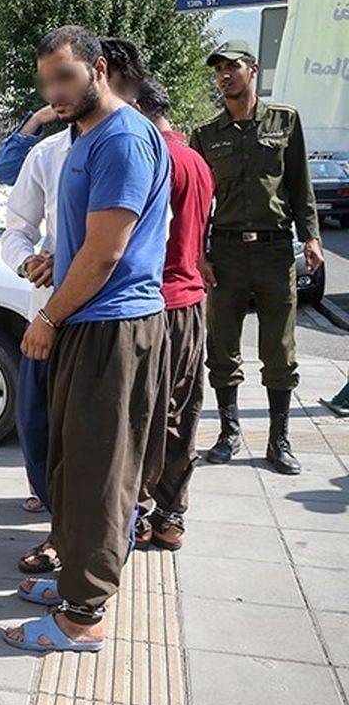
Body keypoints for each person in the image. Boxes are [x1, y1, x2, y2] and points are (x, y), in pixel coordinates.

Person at [3, 25, 169, 654]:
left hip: (112, 327)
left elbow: (105, 255)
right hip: (86, 323)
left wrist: (47, 319)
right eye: (47, 81)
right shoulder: (81, 135)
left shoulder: (123, 139)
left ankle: (83, 617)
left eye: (66, 77)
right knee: (71, 467)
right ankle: (74, 580)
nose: (55, 91)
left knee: (100, 475)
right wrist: (47, 264)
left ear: (99, 69)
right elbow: (75, 242)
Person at [189, 39, 325, 475]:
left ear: (254, 70)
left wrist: (311, 237)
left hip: (273, 251)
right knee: (223, 348)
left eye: (232, 67)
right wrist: (198, 255)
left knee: (279, 351)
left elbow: (301, 183)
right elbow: (195, 203)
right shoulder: (206, 135)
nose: (224, 76)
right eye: (219, 70)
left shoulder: (285, 122)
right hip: (225, 252)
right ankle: (229, 434)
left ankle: (278, 440)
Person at [131, 78, 214, 552]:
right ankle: (171, 516)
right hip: (190, 302)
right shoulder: (198, 161)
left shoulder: (152, 158)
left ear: (140, 110)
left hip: (156, 302)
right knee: (183, 411)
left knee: (144, 413)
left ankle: (138, 512)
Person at [1, 111, 73, 572]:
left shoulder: (134, 146)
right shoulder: (49, 153)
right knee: (37, 425)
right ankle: (58, 518)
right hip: (47, 319)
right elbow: (16, 230)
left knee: (89, 438)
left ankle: (75, 538)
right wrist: (30, 261)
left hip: (109, 323)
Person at [0, 37, 147, 185]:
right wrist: (36, 119)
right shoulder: (53, 151)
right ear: (98, 73)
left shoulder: (140, 144)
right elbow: (4, 170)